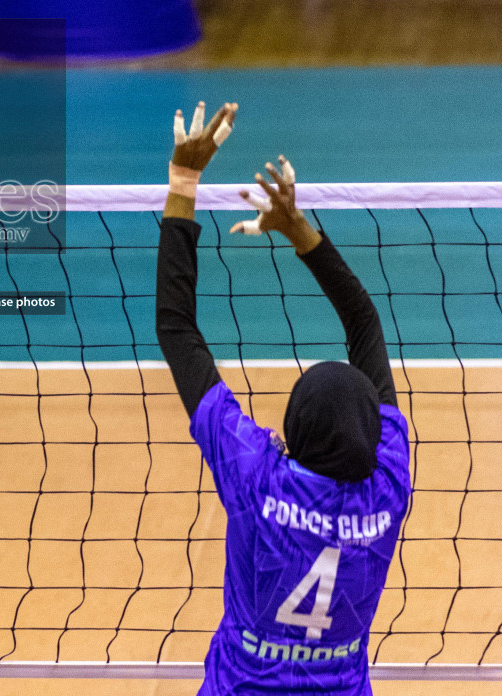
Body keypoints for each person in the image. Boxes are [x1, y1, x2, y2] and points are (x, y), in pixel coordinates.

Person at [158, 101, 411, 695]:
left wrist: (183, 182)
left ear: (290, 433)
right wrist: (300, 228)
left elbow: (177, 328)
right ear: (373, 434)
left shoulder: (256, 477)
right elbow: (366, 324)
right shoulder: (389, 482)